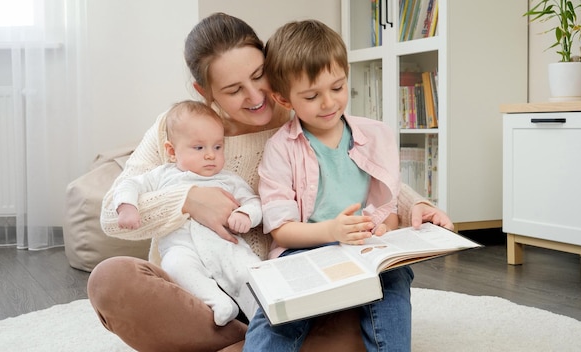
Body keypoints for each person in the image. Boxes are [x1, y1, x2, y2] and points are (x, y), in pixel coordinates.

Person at [87, 12, 453, 352]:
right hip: (196, 295)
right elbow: (111, 214)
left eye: (259, 75)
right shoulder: (180, 125)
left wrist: (417, 206)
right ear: (205, 92)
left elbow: (363, 173)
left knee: (356, 303)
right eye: (233, 89)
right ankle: (237, 338)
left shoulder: (303, 115)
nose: (256, 95)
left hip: (285, 290)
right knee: (111, 282)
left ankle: (236, 343)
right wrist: (188, 199)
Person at [243, 19, 412, 351]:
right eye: (311, 95)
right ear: (284, 98)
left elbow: (387, 208)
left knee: (395, 280)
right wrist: (333, 231)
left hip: (363, 248)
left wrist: (382, 231)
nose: (329, 103)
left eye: (337, 87)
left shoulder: (376, 135)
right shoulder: (281, 147)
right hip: (304, 249)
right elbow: (281, 230)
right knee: (277, 312)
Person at [112, 100, 261, 326]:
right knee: (175, 266)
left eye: (217, 147)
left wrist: (246, 215)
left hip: (226, 247)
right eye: (199, 148)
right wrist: (127, 207)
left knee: (248, 272)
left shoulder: (228, 179)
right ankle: (219, 302)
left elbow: (253, 202)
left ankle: (262, 322)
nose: (210, 155)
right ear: (172, 151)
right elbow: (128, 185)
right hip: (182, 248)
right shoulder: (162, 176)